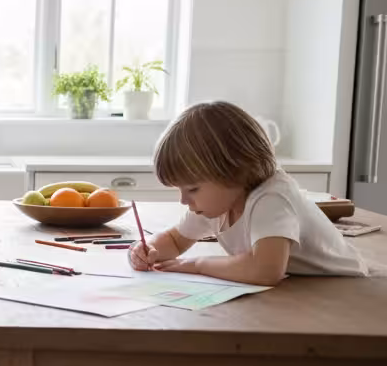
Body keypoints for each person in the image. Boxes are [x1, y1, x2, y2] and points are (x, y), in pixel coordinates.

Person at [129, 100, 369, 285]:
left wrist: (198, 264)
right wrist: (148, 249)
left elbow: (265, 270)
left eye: (192, 188)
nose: (183, 200)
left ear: (234, 170)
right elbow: (174, 240)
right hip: (302, 286)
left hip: (342, 286)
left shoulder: (271, 198)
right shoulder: (216, 203)